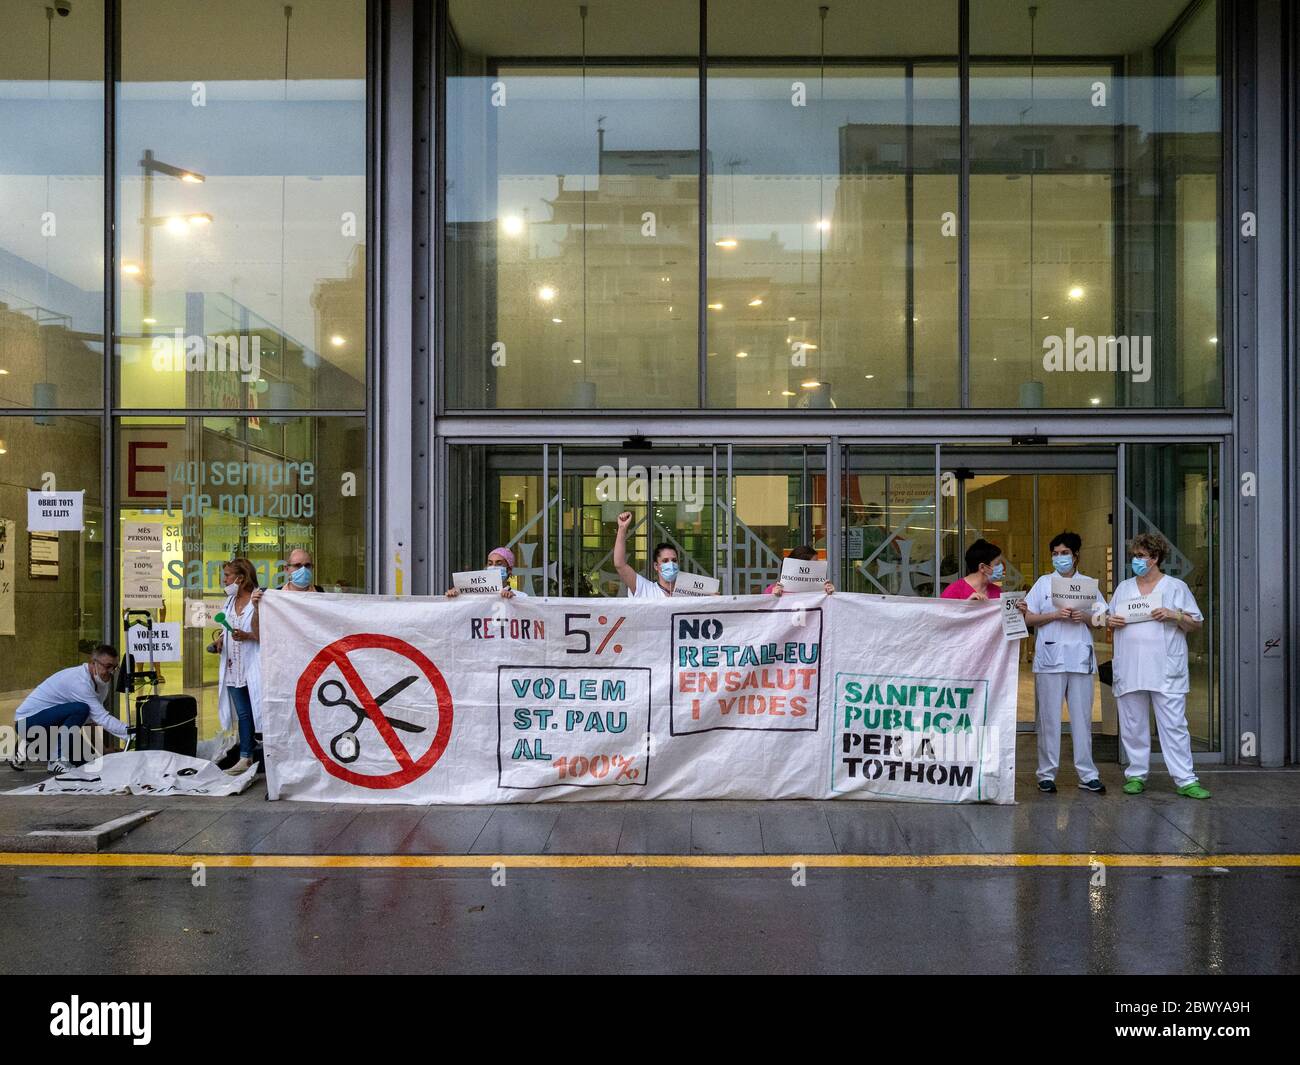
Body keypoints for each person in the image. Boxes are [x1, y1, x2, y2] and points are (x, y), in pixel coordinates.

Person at [1106, 533, 1210, 799]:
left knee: (1174, 725)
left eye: (1141, 556)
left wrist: (1173, 615)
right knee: (1132, 724)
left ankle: (1186, 779)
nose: (1136, 560)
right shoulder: (1124, 588)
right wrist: (1110, 621)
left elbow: (1196, 622)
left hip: (1165, 669)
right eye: (1135, 556)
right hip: (1131, 667)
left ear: (1155, 559)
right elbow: (1109, 617)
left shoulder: (1175, 588)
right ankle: (1137, 774)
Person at [1022, 531, 1109, 794]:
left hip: (1080, 658)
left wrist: (1083, 617)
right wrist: (1054, 615)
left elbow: (1103, 620)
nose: (1060, 558)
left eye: (1065, 553)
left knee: (1082, 719)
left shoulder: (1087, 585)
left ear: (1076, 555)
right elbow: (1028, 618)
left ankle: (1087, 773)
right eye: (1056, 554)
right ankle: (1046, 774)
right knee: (1049, 719)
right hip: (1051, 657)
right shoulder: (1043, 583)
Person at [8, 645, 129, 774]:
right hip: (27, 722)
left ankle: (31, 745)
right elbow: (101, 717)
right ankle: (56, 760)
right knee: (80, 709)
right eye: (108, 666)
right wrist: (130, 732)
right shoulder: (79, 681)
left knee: (90, 762)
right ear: (93, 663)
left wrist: (103, 750)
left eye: (115, 667)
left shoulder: (102, 683)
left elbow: (92, 720)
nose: (111, 672)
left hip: (52, 729)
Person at [211, 559, 263, 775]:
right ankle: (245, 757)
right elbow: (225, 628)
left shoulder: (257, 600)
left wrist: (248, 635)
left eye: (227, 576)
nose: (224, 580)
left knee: (260, 711)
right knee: (243, 714)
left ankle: (267, 753)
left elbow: (263, 634)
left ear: (240, 578)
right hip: (233, 667)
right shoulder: (230, 602)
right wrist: (220, 639)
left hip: (252, 666)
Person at [612, 511, 702, 598]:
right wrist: (622, 528)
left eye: (674, 560)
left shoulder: (690, 594)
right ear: (656, 565)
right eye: (665, 561)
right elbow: (620, 564)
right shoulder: (645, 589)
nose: (671, 564)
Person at [445, 546, 528, 599]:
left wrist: (514, 601)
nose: (494, 567)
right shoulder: (474, 595)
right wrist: (455, 596)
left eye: (499, 564)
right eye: (490, 563)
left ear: (509, 569)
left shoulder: (521, 597)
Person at [940, 539, 1005, 600]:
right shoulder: (953, 592)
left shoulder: (997, 591)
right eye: (997, 564)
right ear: (982, 567)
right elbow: (943, 611)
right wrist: (967, 606)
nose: (1002, 567)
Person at [252, 548, 323, 603]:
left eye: (307, 565)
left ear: (312, 568)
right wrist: (257, 610)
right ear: (286, 569)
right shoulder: (275, 596)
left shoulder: (322, 594)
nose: (303, 569)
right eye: (297, 565)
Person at [766, 545, 835, 596]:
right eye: (814, 563)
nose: (818, 566)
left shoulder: (822, 590)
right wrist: (772, 597)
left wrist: (831, 595)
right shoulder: (773, 590)